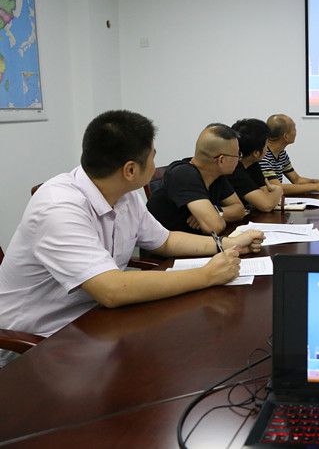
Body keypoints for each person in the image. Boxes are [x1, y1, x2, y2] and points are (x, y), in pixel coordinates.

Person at [0, 110, 265, 346]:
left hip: (96, 320)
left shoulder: (124, 195)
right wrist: (206, 275)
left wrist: (227, 244)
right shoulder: (58, 207)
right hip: (39, 341)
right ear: (130, 170)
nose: (155, 165)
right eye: (153, 157)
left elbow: (166, 241)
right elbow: (112, 289)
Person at [147, 123, 247, 234]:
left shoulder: (215, 174)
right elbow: (215, 226)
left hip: (196, 240)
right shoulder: (183, 174)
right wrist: (212, 217)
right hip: (167, 243)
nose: (239, 159)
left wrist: (216, 211)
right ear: (221, 160)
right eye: (237, 155)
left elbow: (240, 210)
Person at [259, 114, 319, 196]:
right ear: (286, 136)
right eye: (294, 129)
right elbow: (277, 187)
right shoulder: (262, 156)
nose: (296, 132)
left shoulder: (281, 153)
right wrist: (317, 187)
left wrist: (318, 182)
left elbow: (297, 180)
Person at [227, 118, 283, 212]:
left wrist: (268, 197)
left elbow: (265, 193)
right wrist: (278, 190)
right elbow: (266, 205)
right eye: (266, 145)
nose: (267, 148)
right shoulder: (234, 170)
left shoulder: (252, 163)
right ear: (256, 153)